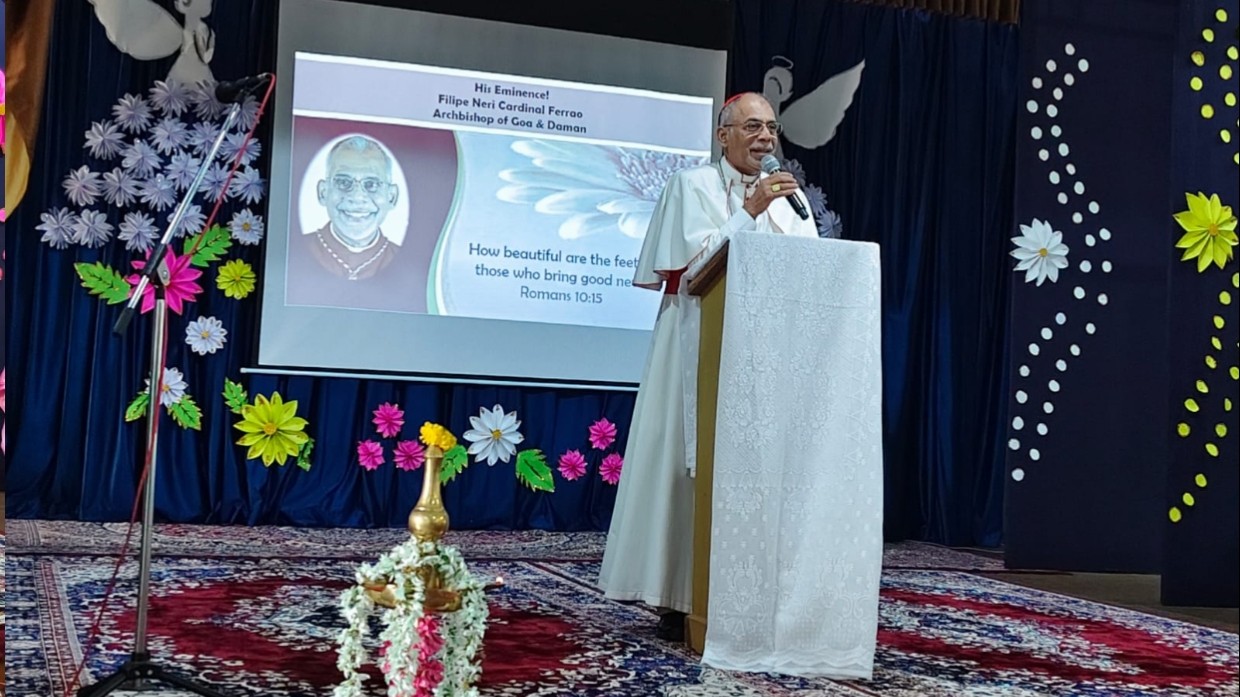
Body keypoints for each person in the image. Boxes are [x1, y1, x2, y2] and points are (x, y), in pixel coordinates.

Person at [599, 93, 817, 641]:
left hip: (766, 354)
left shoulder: (791, 199)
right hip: (695, 341)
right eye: (752, 127)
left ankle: (754, 591)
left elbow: (810, 270)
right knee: (682, 463)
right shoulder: (690, 186)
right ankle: (678, 595)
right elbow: (692, 270)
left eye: (771, 128)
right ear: (723, 136)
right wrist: (749, 211)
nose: (765, 137)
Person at [287, 134, 427, 313]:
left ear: (391, 197)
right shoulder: (293, 251)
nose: (357, 197)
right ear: (323, 192)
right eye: (343, 182)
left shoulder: (408, 265)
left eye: (372, 184)